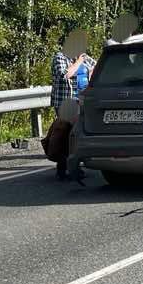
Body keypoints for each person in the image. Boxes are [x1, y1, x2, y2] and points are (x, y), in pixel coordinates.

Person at [50, 31, 95, 181]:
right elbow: (65, 75)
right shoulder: (60, 57)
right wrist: (78, 62)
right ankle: (66, 166)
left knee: (74, 135)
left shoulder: (84, 58)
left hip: (82, 101)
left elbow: (98, 69)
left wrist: (91, 72)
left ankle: (69, 166)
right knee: (68, 134)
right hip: (66, 102)